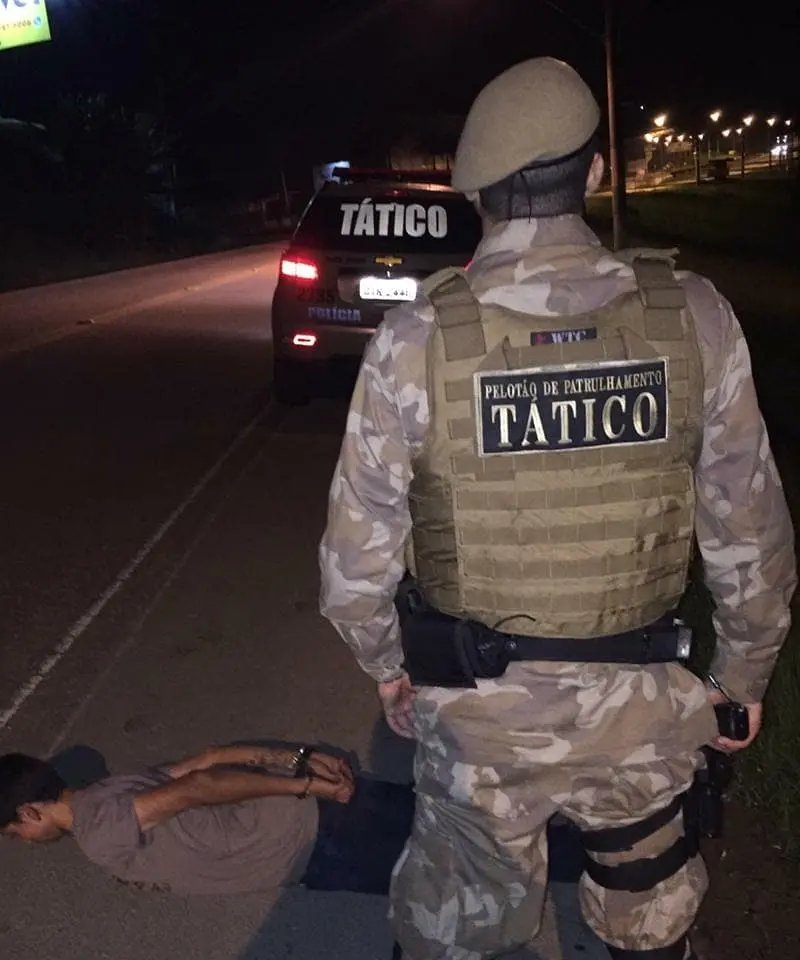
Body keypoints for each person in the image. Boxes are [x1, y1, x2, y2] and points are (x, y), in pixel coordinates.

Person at [319, 56, 796, 960]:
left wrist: (391, 670)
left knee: (460, 931)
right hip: (643, 715)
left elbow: (353, 573)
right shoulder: (692, 317)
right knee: (648, 917)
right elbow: (752, 535)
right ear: (599, 171)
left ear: (475, 191)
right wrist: (740, 683)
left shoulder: (417, 340)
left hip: (477, 723)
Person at [0, 742, 413, 897]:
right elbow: (209, 759)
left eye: (17, 833)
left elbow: (199, 785)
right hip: (316, 818)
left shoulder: (96, 832)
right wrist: (298, 758)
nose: (26, 841)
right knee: (444, 819)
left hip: (312, 843)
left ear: (29, 811)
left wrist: (305, 785)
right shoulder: (104, 790)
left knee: (439, 890)